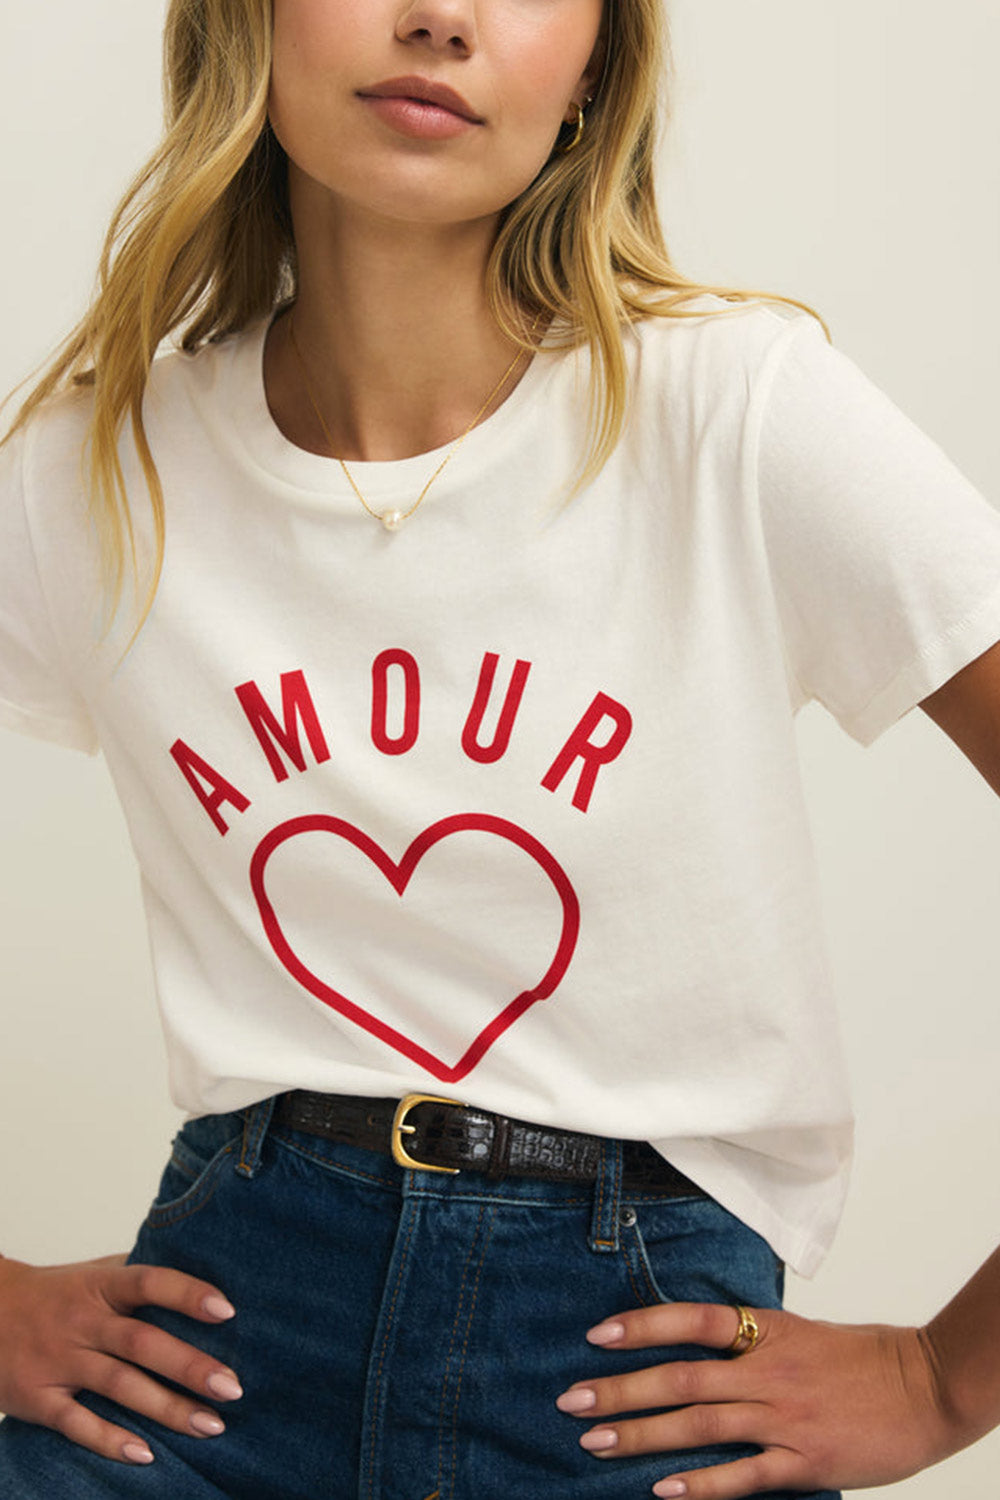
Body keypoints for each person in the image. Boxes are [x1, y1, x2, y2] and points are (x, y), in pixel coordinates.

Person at [1, 0, 999, 1496]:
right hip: (210, 1356)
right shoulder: (95, 473)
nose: (440, 18)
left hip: (635, 1373)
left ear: (596, 63)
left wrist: (949, 1376)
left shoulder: (735, 414)